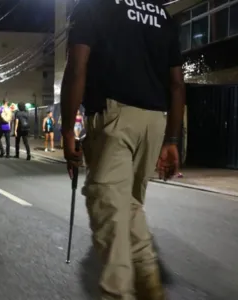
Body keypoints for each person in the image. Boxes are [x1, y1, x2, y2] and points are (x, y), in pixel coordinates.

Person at [60, 1, 185, 299]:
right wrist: (171, 141)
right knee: (129, 208)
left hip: (115, 118)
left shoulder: (93, 6)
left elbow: (77, 67)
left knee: (107, 210)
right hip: (154, 122)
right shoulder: (160, 13)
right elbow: (177, 84)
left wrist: (67, 130)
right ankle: (150, 287)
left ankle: (117, 292)